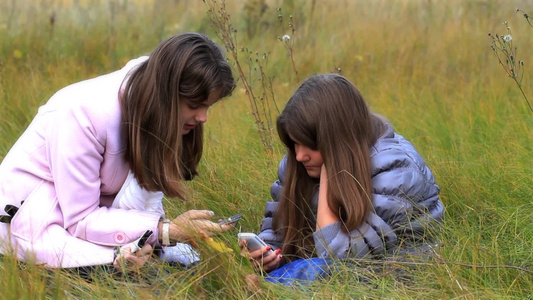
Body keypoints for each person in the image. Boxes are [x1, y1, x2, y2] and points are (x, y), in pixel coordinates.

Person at [0, 32, 236, 269]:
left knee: (185, 267)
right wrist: (165, 230)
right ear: (166, 95)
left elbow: (145, 198)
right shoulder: (82, 113)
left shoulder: (153, 108)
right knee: (144, 281)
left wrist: (159, 236)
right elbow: (82, 219)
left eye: (208, 107)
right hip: (28, 225)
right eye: (194, 106)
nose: (203, 118)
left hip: (81, 223)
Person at [242, 73, 444, 275]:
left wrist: (329, 176)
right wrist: (267, 254)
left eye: (311, 144)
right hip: (339, 267)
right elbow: (279, 229)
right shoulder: (298, 163)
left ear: (338, 141)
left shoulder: (396, 173)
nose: (300, 155)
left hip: (394, 277)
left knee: (310, 271)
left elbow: (343, 259)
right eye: (295, 143)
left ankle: (266, 289)